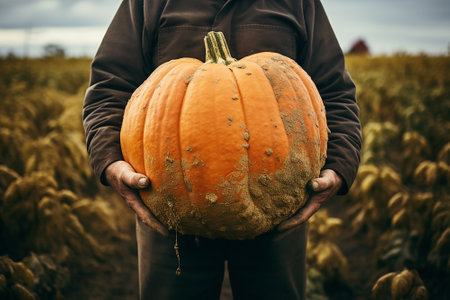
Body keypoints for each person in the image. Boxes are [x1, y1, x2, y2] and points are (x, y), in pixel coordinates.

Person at [83, 0, 362, 299]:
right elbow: (109, 87)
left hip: (276, 207)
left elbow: (334, 92)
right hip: (173, 210)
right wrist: (110, 162)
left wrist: (339, 166)